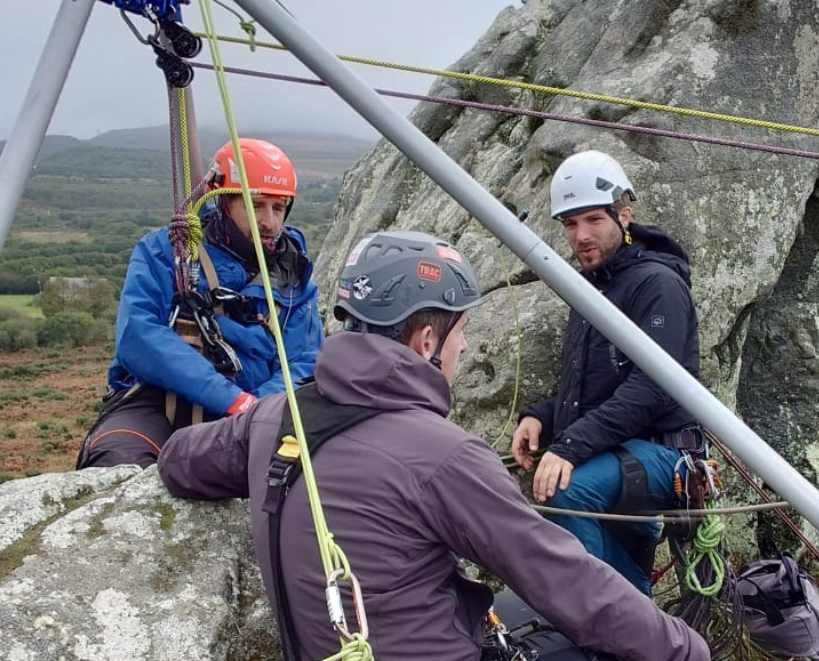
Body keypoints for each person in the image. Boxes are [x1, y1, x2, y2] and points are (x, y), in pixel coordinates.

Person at [159, 230, 709, 661]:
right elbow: (566, 580)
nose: (464, 346)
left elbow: (180, 462)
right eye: (460, 330)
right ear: (427, 340)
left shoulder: (274, 418)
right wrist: (688, 649)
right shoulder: (442, 456)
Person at [511, 150, 704, 594]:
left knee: (566, 489)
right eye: (569, 224)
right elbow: (591, 382)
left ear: (624, 214)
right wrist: (541, 415)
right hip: (621, 450)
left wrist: (572, 446)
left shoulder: (657, 285)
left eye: (593, 220)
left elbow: (652, 387)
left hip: (665, 452)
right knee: (627, 581)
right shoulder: (596, 286)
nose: (580, 236)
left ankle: (597, 622)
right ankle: (637, 634)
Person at [76, 138, 320, 469]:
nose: (269, 222)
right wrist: (230, 399)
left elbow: (304, 358)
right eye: (255, 205)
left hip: (255, 409)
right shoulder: (167, 252)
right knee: (118, 460)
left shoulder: (294, 271)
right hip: (158, 403)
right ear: (222, 203)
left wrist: (256, 408)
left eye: (278, 208)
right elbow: (138, 336)